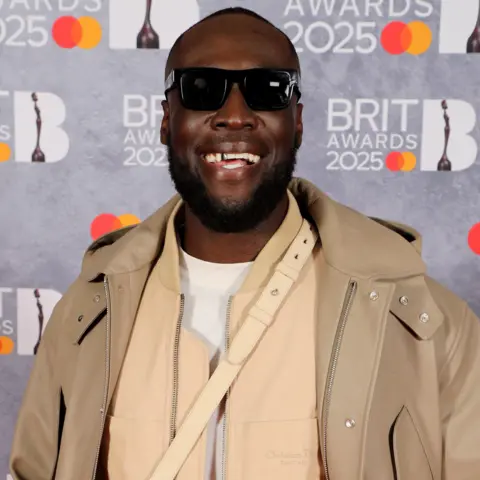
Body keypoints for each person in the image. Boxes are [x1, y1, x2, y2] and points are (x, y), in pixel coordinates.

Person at [9, 7, 480, 480]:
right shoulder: (87, 315)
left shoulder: (426, 324)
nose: (235, 117)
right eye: (201, 89)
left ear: (297, 121)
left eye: (267, 90)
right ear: (165, 121)